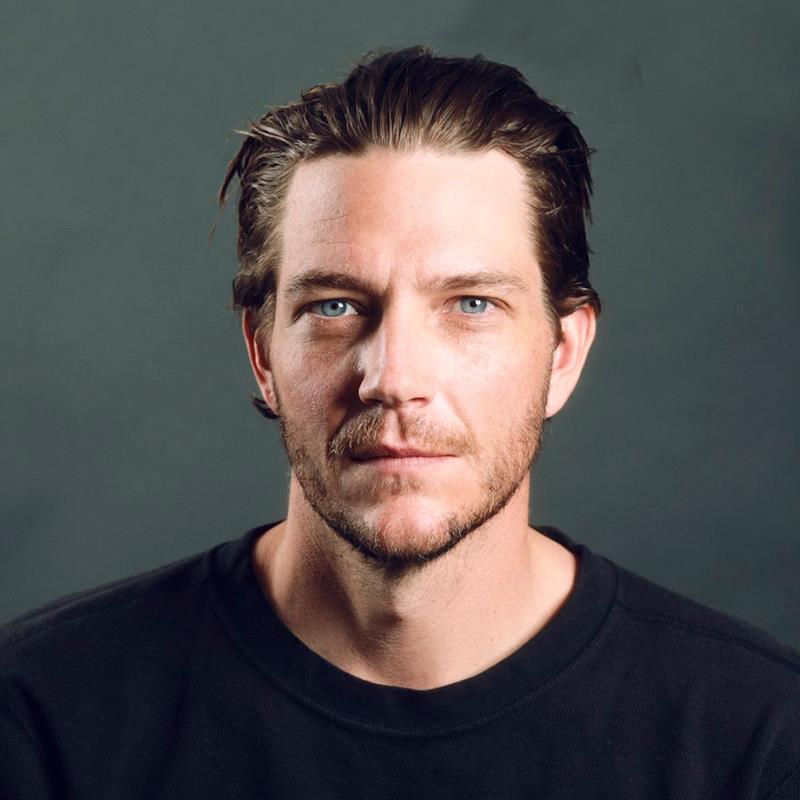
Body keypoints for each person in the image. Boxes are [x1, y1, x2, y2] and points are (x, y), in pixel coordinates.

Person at [1, 46, 798, 800]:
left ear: (562, 353)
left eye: (471, 304)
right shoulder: (41, 717)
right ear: (263, 353)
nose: (393, 379)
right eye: (335, 307)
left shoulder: (761, 740)